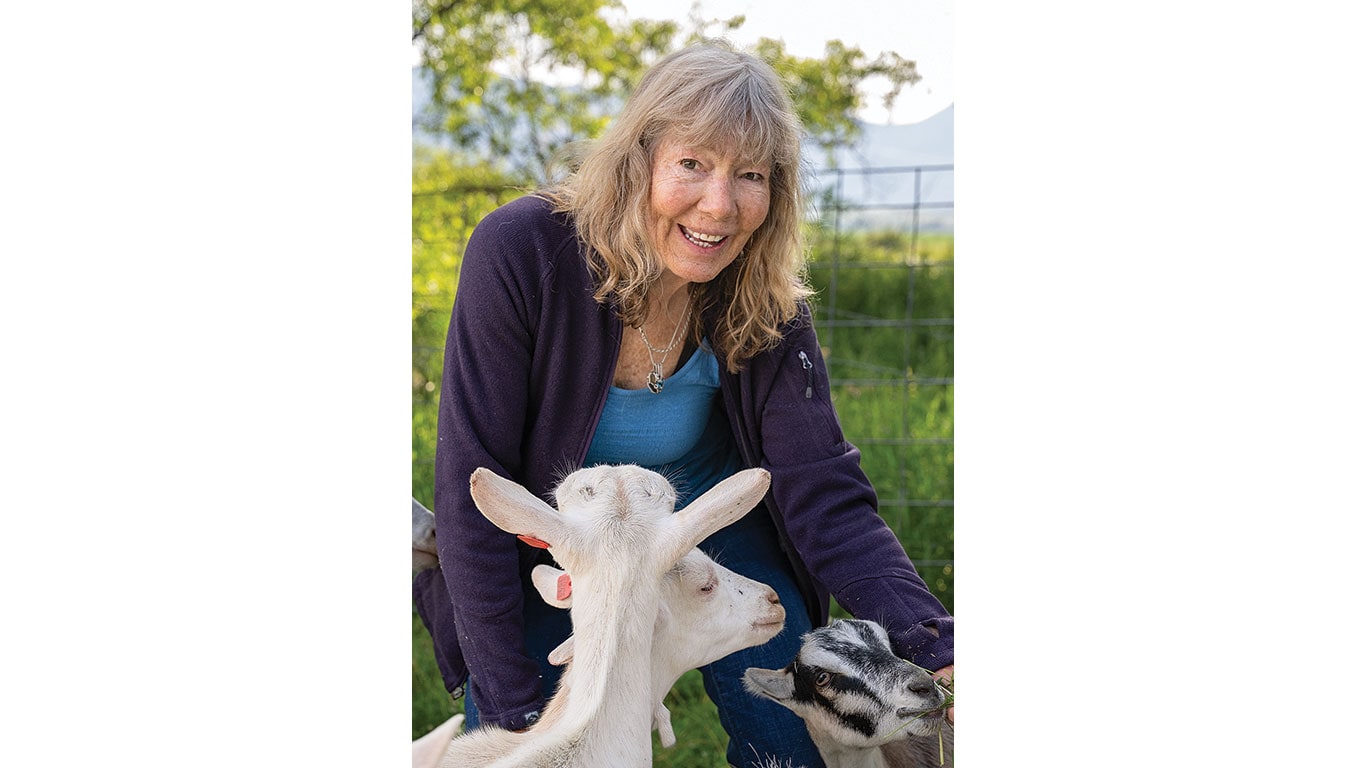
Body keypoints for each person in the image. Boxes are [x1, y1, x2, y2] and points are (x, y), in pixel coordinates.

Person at [411, 41, 954, 767]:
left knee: (791, 741)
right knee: (538, 737)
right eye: (693, 163)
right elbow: (471, 486)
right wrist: (516, 713)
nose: (719, 204)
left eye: (750, 175)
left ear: (776, 194)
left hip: (713, 517)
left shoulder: (764, 297)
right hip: (561, 543)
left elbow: (824, 491)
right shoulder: (521, 249)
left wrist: (935, 643)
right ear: (639, 162)